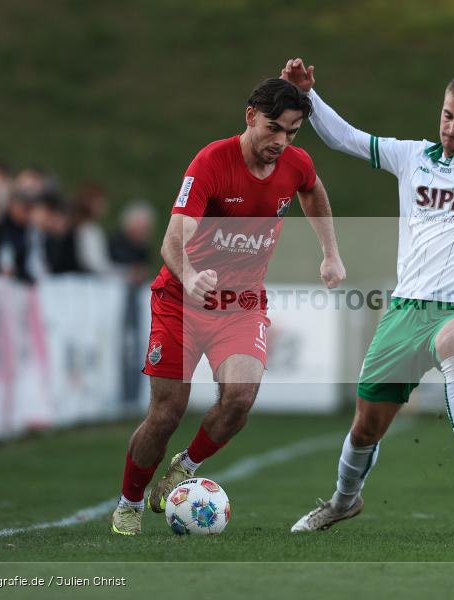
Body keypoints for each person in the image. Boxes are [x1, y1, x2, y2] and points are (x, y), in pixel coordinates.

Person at [281, 59, 454, 532]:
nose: (452, 127)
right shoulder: (412, 156)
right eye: (448, 115)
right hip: (405, 312)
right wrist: (309, 97)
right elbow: (345, 138)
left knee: (453, 345)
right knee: (366, 426)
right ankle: (343, 502)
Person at [111, 78, 346, 535]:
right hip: (182, 299)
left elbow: (312, 189)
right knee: (166, 413)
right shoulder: (212, 163)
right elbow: (171, 240)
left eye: (292, 132)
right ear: (249, 117)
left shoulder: (295, 164)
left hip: (240, 304)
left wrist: (330, 252)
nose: (281, 141)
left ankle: (186, 465)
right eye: (273, 128)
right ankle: (129, 503)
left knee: (239, 398)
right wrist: (192, 275)